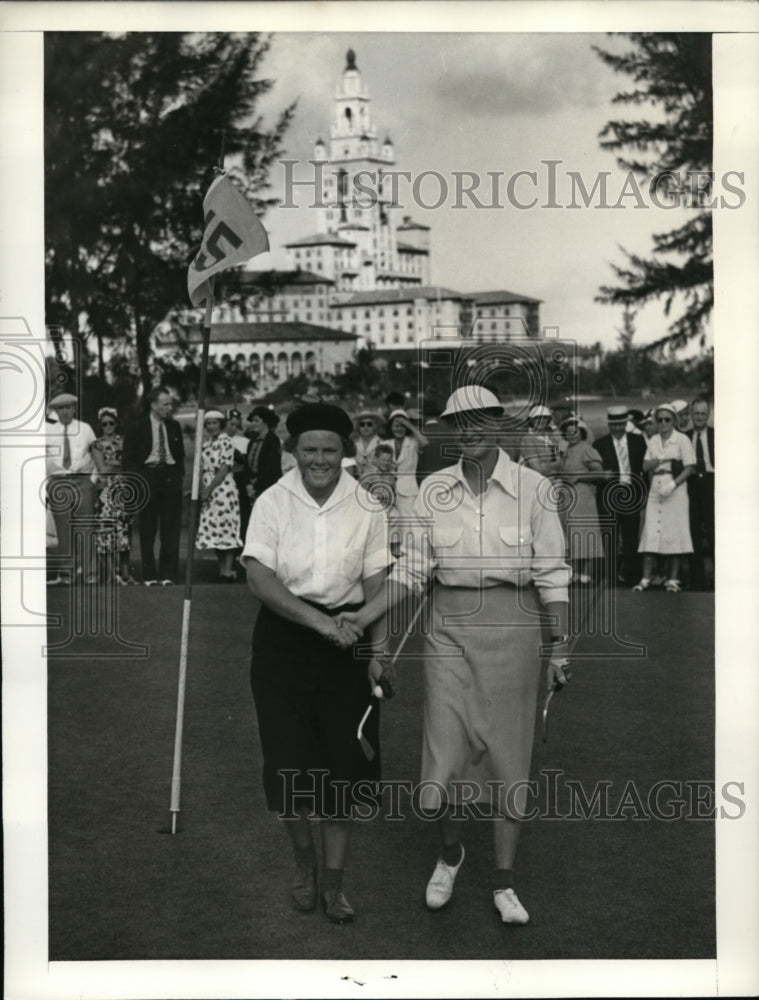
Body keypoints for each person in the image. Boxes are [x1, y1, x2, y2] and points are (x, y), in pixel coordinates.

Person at [339, 385, 571, 925]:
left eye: (481, 418)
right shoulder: (432, 489)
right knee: (442, 756)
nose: (471, 429)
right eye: (459, 422)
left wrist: (559, 647)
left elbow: (553, 576)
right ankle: (449, 856)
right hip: (446, 629)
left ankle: (504, 883)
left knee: (507, 757)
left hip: (514, 629)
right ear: (450, 429)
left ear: (499, 423)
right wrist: (366, 614)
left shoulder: (535, 489)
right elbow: (412, 571)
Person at [241, 403, 393, 923]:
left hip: (348, 644)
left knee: (340, 769)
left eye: (330, 449)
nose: (320, 459)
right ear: (294, 450)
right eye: (310, 449)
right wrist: (320, 623)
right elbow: (260, 580)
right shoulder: (272, 501)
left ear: (345, 451)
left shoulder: (369, 506)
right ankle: (303, 866)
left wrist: (376, 651)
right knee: (286, 764)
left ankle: (334, 885)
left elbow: (377, 586)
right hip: (284, 640)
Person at [122, 386, 185, 586]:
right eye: (166, 404)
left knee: (171, 528)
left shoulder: (174, 427)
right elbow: (128, 460)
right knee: (147, 528)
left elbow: (180, 455)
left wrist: (178, 476)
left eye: (170, 403)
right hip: (148, 477)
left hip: (171, 478)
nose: (170, 407)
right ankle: (149, 575)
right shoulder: (135, 428)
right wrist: (139, 481)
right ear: (154, 405)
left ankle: (168, 575)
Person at [634, 403, 696, 593]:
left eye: (667, 419)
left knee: (673, 533)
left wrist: (673, 484)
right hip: (656, 487)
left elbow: (690, 467)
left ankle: (673, 579)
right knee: (651, 532)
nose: (663, 423)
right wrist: (662, 459)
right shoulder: (653, 440)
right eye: (659, 419)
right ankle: (646, 578)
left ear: (674, 421)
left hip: (675, 488)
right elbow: (645, 466)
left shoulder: (682, 439)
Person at [45, 392, 97, 585]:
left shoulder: (85, 429)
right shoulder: (48, 432)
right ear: (56, 411)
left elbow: (96, 452)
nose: (65, 411)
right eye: (60, 408)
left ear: (74, 408)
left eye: (68, 407)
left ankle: (90, 573)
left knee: (85, 527)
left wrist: (93, 479)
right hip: (58, 482)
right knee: (63, 529)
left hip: (82, 481)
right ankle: (67, 575)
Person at [593, 405, 647, 586]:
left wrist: (643, 494)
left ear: (626, 423)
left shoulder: (638, 441)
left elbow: (643, 470)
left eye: (620, 424)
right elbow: (595, 474)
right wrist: (602, 475)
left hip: (631, 494)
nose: (617, 428)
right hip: (608, 497)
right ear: (609, 425)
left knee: (631, 537)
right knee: (610, 537)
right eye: (613, 425)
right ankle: (610, 577)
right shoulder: (600, 444)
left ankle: (632, 576)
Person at [195, 410, 242, 582]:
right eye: (208, 423)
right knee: (214, 529)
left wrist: (209, 489)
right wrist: (201, 488)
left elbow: (224, 469)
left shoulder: (226, 441)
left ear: (221, 424)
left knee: (226, 528)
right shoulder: (206, 444)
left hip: (223, 488)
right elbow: (200, 468)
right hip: (208, 488)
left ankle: (228, 570)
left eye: (215, 423)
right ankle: (221, 569)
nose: (212, 426)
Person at [90, 407, 135, 584]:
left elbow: (129, 465)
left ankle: (125, 574)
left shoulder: (125, 442)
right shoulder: (96, 444)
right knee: (105, 532)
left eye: (111, 423)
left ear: (117, 423)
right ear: (100, 425)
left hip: (123, 491)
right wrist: (117, 464)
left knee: (124, 532)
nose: (108, 426)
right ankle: (109, 575)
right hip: (104, 493)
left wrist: (113, 464)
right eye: (104, 424)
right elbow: (103, 469)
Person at [558, 417, 605, 584]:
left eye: (574, 432)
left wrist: (579, 476)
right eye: (567, 433)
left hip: (582, 495)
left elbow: (599, 473)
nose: (571, 436)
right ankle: (575, 573)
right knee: (570, 534)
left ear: (582, 433)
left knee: (585, 532)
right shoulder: (564, 450)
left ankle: (586, 574)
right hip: (566, 496)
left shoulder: (586, 449)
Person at [687, 397, 715, 590]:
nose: (699, 417)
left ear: (708, 415)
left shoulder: (717, 435)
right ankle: (697, 580)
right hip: (691, 484)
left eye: (703, 413)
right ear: (691, 414)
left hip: (712, 484)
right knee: (693, 531)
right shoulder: (684, 437)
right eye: (696, 413)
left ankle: (720, 578)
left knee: (715, 531)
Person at [382, 408, 428, 518]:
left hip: (409, 492)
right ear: (391, 428)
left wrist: (410, 425)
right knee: (388, 524)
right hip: (388, 490)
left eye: (402, 426)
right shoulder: (385, 444)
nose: (399, 429)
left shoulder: (413, 443)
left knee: (408, 525)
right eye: (396, 426)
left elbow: (425, 443)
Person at [244, 406, 282, 508]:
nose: (253, 423)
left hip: (267, 486)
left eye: (256, 420)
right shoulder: (252, 441)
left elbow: (271, 466)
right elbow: (247, 465)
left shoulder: (272, 440)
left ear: (265, 421)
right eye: (253, 421)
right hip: (252, 488)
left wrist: (256, 486)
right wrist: (248, 484)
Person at [225, 408, 253, 537]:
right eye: (231, 424)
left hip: (239, 482)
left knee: (242, 517)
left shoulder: (244, 442)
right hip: (223, 484)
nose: (234, 428)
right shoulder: (216, 441)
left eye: (237, 425)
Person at [518, 404, 566, 476]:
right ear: (531, 420)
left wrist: (545, 465)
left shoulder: (553, 440)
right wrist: (553, 466)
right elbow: (537, 468)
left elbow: (560, 463)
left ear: (548, 420)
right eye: (537, 418)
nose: (541, 420)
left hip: (551, 478)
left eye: (544, 418)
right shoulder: (527, 439)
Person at [352, 410, 383, 477]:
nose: (365, 427)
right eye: (362, 424)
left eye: (369, 424)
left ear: (375, 426)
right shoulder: (354, 443)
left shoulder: (382, 443)